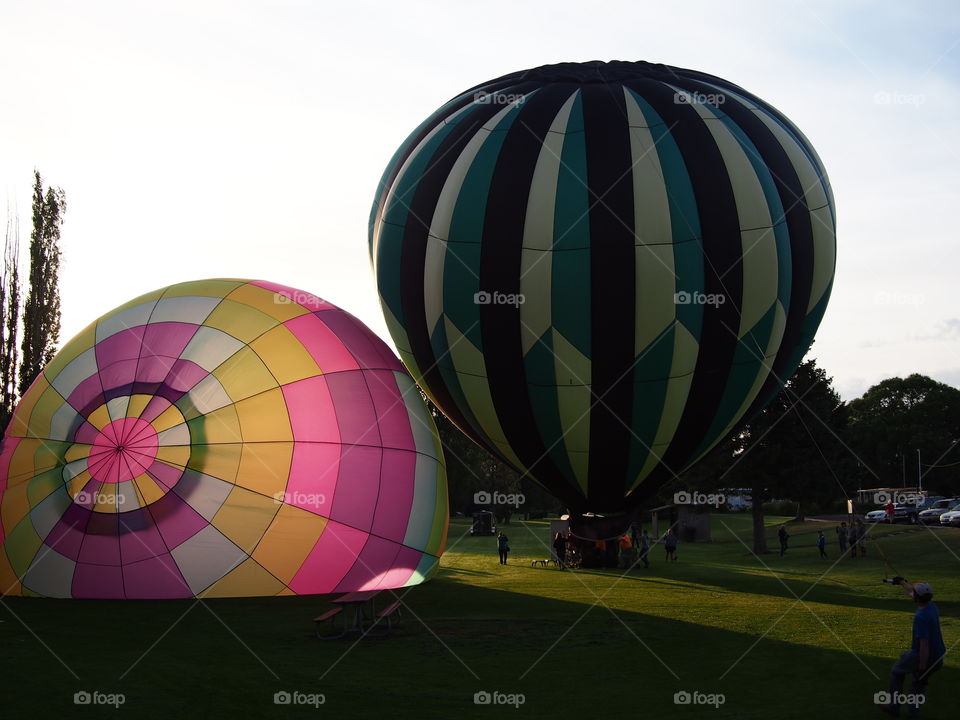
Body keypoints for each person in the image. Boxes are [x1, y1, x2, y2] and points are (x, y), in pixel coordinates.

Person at [882, 578, 945, 718]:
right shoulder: (932, 606)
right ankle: (913, 715)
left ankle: (893, 706)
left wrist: (922, 669)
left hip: (924, 656)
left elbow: (924, 645)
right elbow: (913, 592)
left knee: (897, 672)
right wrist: (902, 583)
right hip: (938, 656)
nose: (913, 593)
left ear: (917, 597)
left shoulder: (921, 616)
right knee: (917, 686)